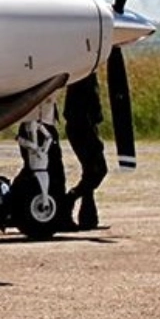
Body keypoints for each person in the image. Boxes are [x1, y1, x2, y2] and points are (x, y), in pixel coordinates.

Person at [62, 73, 106, 231]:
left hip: (83, 125)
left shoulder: (83, 74)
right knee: (98, 169)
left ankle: (88, 216)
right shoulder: (83, 74)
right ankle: (70, 199)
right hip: (82, 126)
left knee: (90, 171)